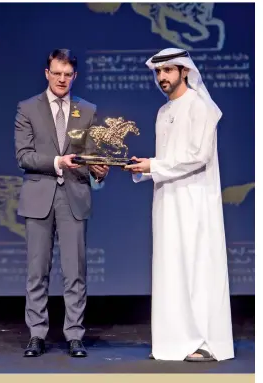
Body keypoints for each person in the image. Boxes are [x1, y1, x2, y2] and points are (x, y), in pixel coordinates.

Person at [126, 48, 234, 362]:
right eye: (158, 73)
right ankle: (174, 341)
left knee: (197, 268)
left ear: (184, 71)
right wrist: (147, 166)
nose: (162, 78)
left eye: (168, 71)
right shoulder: (163, 111)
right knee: (171, 267)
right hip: (167, 200)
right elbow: (168, 158)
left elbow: (198, 157)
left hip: (195, 201)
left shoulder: (201, 107)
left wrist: (153, 166)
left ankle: (207, 342)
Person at [15, 49, 109, 358]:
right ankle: (37, 334)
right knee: (36, 271)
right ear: (47, 73)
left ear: (75, 76)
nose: (62, 79)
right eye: (57, 73)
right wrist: (57, 161)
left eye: (67, 75)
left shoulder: (88, 110)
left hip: (74, 197)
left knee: (75, 271)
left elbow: (91, 156)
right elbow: (24, 156)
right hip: (39, 196)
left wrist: (98, 170)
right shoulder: (28, 108)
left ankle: (74, 334)